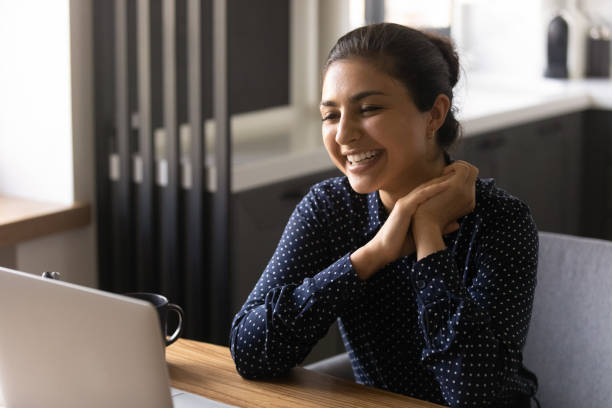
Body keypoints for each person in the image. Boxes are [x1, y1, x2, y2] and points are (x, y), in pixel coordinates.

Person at [229, 23, 539, 408]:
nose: (343, 135)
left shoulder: (500, 219)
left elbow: (472, 394)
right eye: (330, 115)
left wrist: (428, 238)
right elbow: (248, 351)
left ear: (434, 114)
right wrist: (371, 255)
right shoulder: (330, 208)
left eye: (369, 109)